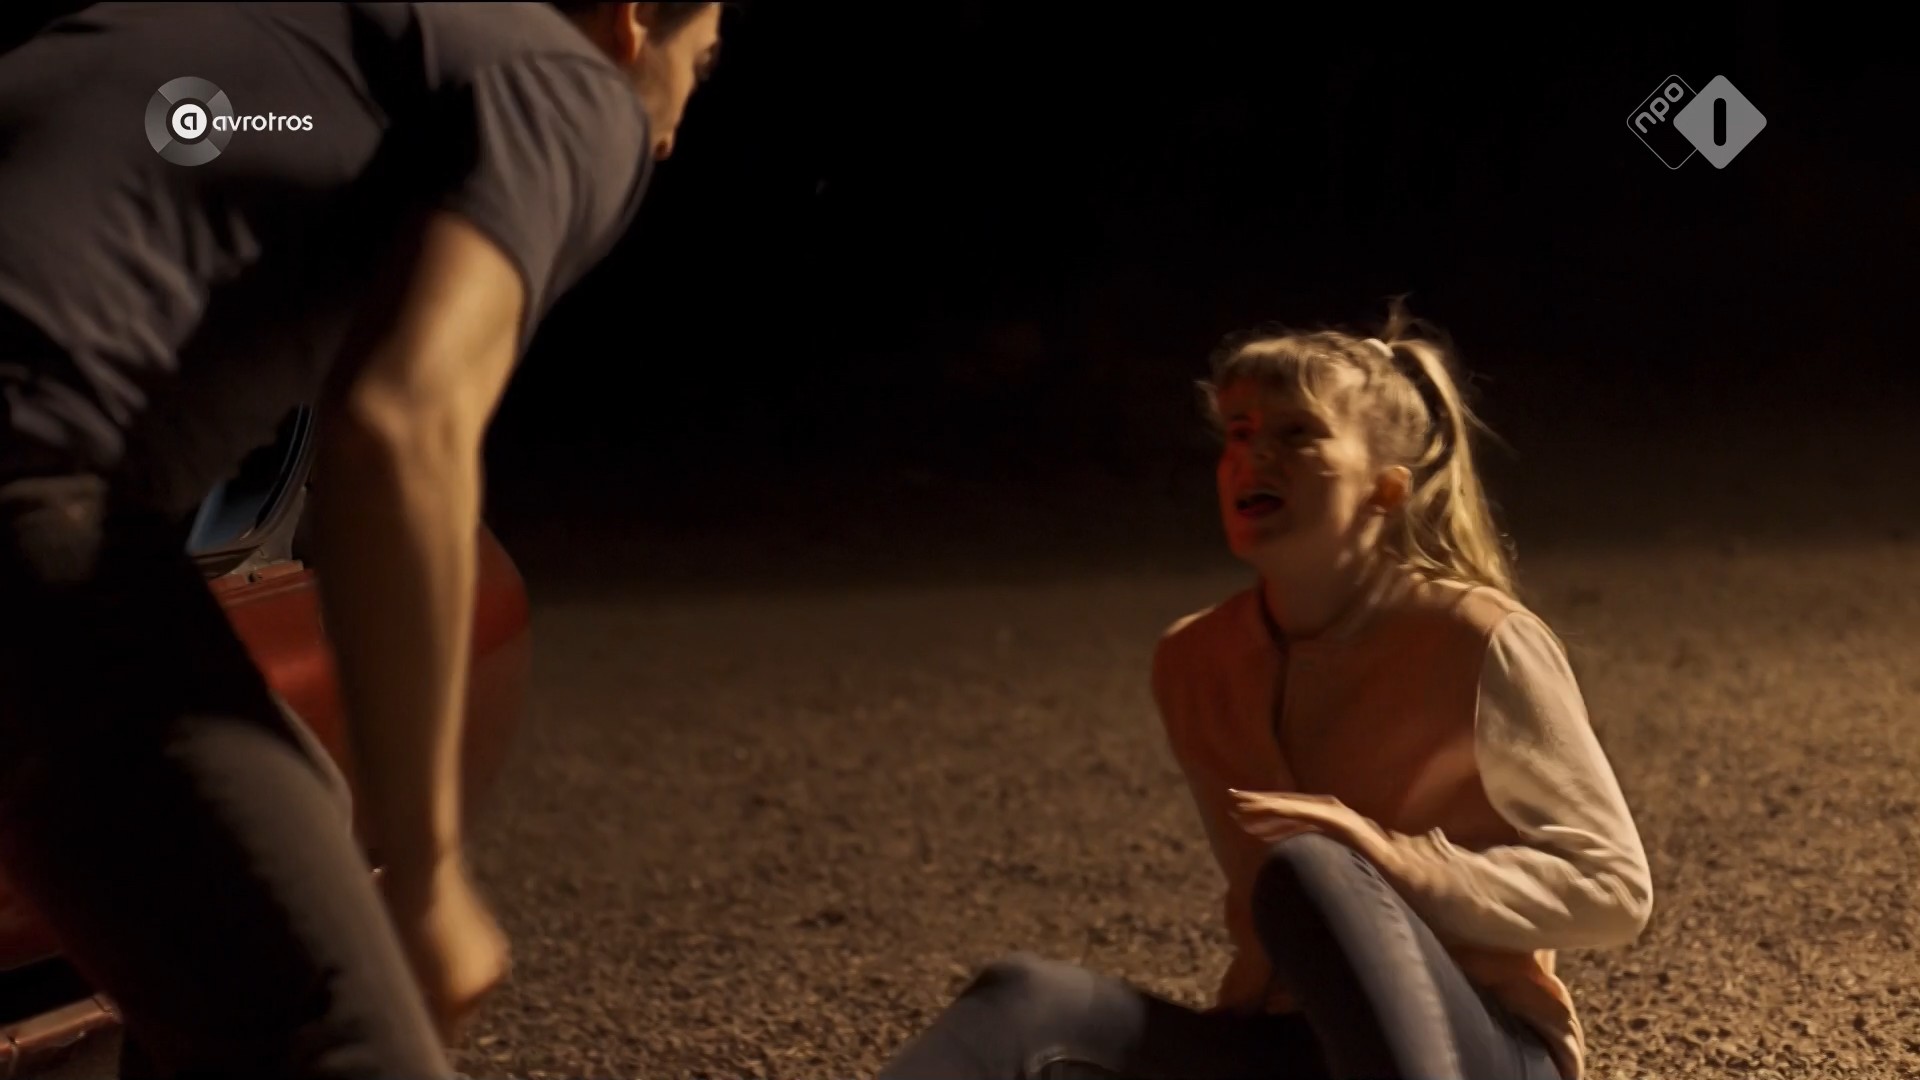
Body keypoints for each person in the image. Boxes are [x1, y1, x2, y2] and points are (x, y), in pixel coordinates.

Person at [0, 3, 721, 1076]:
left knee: (290, 832)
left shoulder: (316, 33)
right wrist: (428, 878)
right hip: (28, 478)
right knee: (347, 1036)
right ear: (629, 21)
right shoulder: (567, 84)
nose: (669, 138)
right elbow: (400, 426)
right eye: (702, 62)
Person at [877, 300, 1654, 1080]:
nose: (1255, 456)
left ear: (1385, 490)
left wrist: (1395, 863)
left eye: (1296, 432)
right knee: (1028, 1001)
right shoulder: (1195, 662)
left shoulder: (1476, 638)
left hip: (1484, 1048)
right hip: (1289, 1047)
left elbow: (1614, 887)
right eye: (1240, 432)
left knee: (1311, 868)